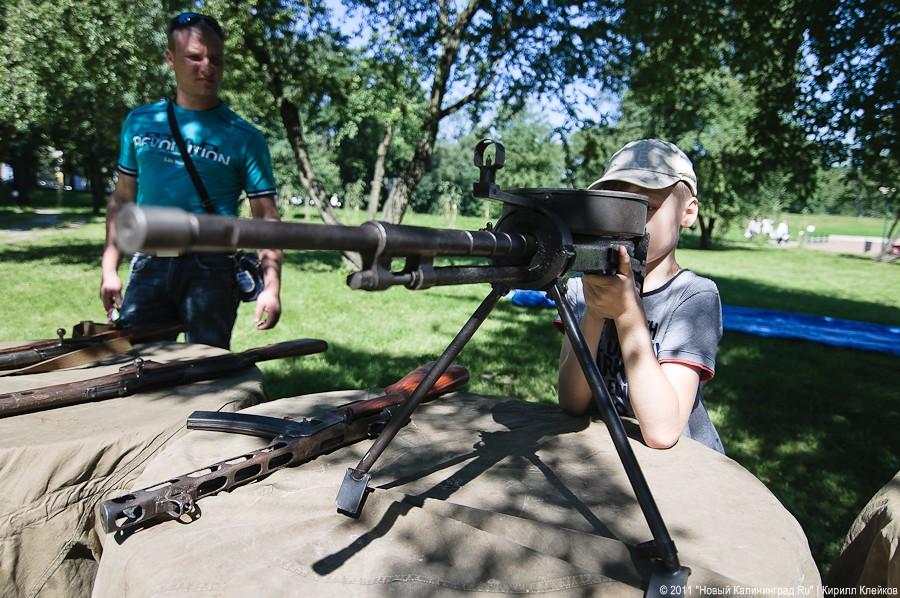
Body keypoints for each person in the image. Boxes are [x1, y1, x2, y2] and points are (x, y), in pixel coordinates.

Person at [99, 12, 282, 349]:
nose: (207, 67)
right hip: (151, 260)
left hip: (212, 267)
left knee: (207, 373)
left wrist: (271, 287)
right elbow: (122, 200)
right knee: (139, 365)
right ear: (170, 59)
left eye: (216, 58)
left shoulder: (245, 137)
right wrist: (110, 269)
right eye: (195, 57)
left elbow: (266, 218)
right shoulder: (140, 122)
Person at [557, 139, 725, 454]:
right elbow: (571, 401)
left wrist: (627, 317)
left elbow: (662, 433)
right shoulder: (583, 287)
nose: (625, 220)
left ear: (688, 213)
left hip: (688, 468)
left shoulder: (694, 297)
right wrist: (594, 313)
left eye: (644, 207)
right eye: (615, 203)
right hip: (605, 457)